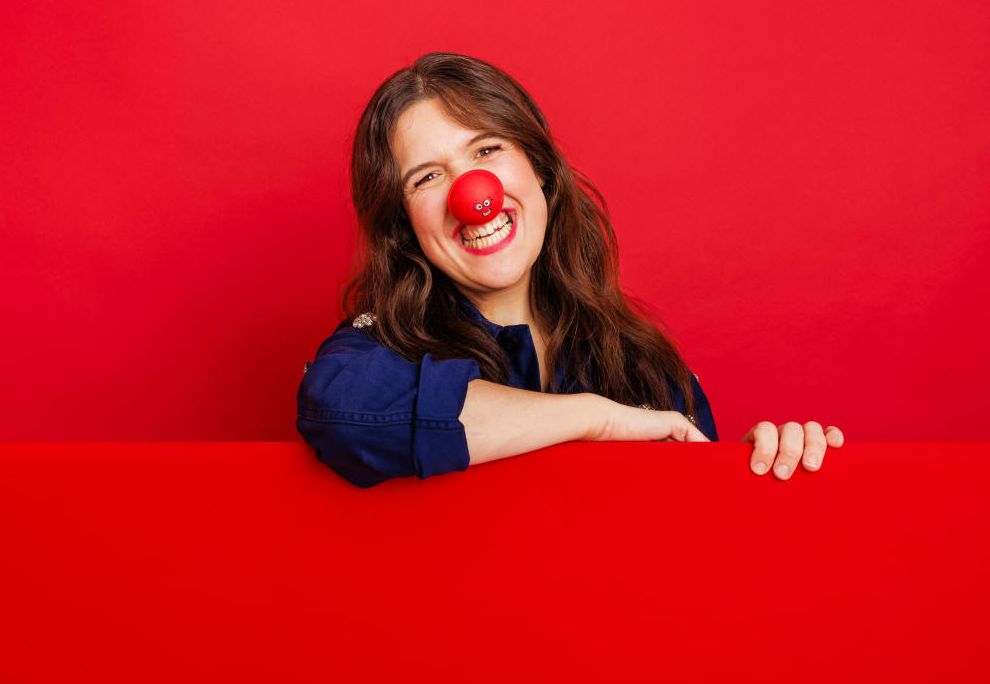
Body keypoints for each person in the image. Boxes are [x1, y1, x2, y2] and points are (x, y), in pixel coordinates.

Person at [296, 52, 843, 488]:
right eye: (426, 178)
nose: (472, 195)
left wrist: (763, 466)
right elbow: (346, 411)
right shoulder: (375, 354)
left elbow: (698, 546)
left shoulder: (643, 368)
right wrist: (595, 419)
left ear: (540, 172)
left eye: (487, 149)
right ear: (404, 224)